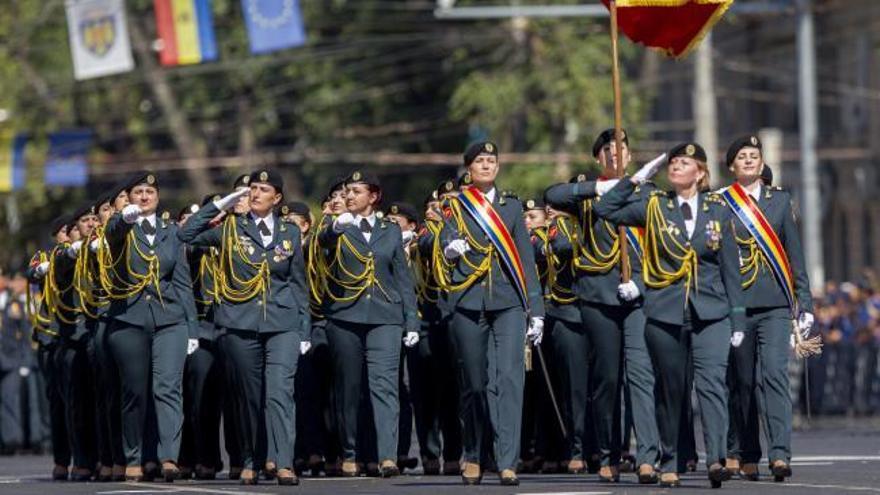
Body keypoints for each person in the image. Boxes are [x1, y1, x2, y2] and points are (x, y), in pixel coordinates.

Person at [594, 142, 743, 488]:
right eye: (673, 163)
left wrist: (738, 318)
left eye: (685, 162)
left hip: (711, 311)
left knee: (712, 385)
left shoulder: (718, 210)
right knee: (670, 389)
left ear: (701, 173)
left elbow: (730, 269)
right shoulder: (654, 205)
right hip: (665, 311)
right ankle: (671, 459)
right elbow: (606, 209)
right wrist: (634, 181)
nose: (675, 167)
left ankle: (717, 458)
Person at [178, 169, 311, 485]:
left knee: (280, 392)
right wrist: (221, 204)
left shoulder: (290, 232)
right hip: (240, 323)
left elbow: (297, 283)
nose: (255, 193)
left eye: (264, 189)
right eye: (252, 188)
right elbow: (186, 234)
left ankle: (283, 462)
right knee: (248, 397)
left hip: (283, 323)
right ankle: (250, 459)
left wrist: (303, 328)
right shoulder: (228, 229)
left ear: (277, 197)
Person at [544, 129, 659, 483]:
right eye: (608, 150)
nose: (616, 155)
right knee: (607, 379)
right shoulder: (588, 195)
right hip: (597, 293)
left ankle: (647, 457)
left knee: (640, 375)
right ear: (598, 159)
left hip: (638, 295)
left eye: (622, 149)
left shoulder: (648, 193)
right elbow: (552, 195)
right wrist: (597, 189)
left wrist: (638, 283)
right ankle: (609, 454)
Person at [437, 141, 545, 486]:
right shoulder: (456, 204)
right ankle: (473, 454)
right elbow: (443, 240)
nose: (486, 165)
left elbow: (526, 261)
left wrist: (536, 309)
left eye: (491, 160)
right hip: (468, 300)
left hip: (508, 301)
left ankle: (507, 460)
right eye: (480, 161)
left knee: (511, 380)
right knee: (474, 384)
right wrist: (449, 248)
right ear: (468, 167)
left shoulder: (511, 206)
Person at [721, 135, 813, 482]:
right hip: (738, 308)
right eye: (742, 156)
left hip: (775, 305)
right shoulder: (722, 203)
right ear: (732, 165)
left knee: (774, 375)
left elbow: (795, 257)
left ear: (761, 163)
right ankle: (747, 452)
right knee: (742, 382)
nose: (748, 160)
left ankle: (779, 454)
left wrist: (804, 303)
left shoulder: (780, 201)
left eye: (754, 155)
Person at [316, 171, 420, 478]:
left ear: (373, 197)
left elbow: (401, 275)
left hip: (385, 317)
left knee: (385, 387)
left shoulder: (388, 229)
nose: (349, 196)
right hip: (346, 315)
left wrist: (411, 319)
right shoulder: (336, 226)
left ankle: (387, 456)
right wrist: (336, 226)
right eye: (347, 191)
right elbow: (323, 242)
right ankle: (350, 452)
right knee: (348, 389)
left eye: (356, 191)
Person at [100, 172, 195, 482]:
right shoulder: (122, 226)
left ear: (158, 196)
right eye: (138, 191)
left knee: (168, 388)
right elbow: (112, 233)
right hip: (129, 318)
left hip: (169, 318)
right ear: (129, 198)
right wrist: (124, 218)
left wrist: (191, 327)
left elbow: (182, 282)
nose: (144, 196)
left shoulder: (170, 231)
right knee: (134, 393)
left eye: (149, 191)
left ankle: (169, 456)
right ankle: (134, 456)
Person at [25, 216, 72, 480]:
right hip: (52, 335)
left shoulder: (87, 250)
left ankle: (91, 458)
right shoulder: (45, 255)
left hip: (78, 333)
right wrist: (45, 268)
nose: (69, 235)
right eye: (64, 231)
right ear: (56, 235)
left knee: (83, 401)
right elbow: (31, 273)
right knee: (57, 402)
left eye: (72, 230)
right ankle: (62, 460)